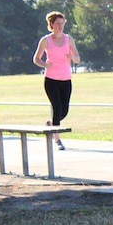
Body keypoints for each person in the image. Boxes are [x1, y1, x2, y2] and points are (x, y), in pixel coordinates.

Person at [32, 11, 81, 151]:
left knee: (64, 111)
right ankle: (58, 140)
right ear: (52, 24)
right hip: (51, 80)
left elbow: (78, 58)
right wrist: (45, 65)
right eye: (58, 23)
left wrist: (72, 57)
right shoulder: (46, 40)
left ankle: (51, 124)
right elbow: (36, 58)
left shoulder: (69, 39)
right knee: (57, 107)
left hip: (66, 79)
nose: (60, 26)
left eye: (62, 23)